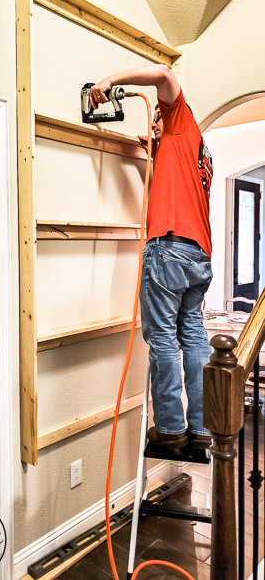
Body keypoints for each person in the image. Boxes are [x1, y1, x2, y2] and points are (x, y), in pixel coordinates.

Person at [90, 64, 213, 449]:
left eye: (159, 115)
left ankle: (172, 428)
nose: (155, 122)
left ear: (170, 113)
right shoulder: (193, 149)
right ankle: (202, 426)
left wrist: (109, 81)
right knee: (192, 336)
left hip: (170, 247)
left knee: (161, 337)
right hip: (198, 255)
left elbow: (164, 74)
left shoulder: (181, 120)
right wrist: (156, 146)